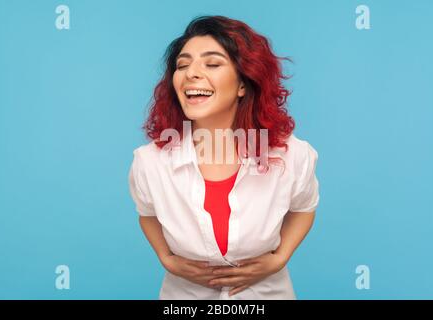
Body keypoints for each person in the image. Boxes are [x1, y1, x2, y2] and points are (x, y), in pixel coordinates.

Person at [128, 15, 320, 300]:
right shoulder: (149, 161)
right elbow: (147, 213)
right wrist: (166, 258)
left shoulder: (292, 154)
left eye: (212, 63)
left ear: (243, 83)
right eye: (183, 65)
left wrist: (280, 257)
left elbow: (305, 206)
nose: (191, 73)